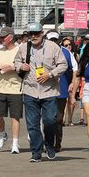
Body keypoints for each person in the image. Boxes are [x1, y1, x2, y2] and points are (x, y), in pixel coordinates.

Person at [14, 23, 67, 162]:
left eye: (36, 33)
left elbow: (63, 65)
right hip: (30, 90)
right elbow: (16, 62)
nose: (33, 36)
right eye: (30, 34)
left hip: (49, 91)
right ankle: (36, 152)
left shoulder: (53, 47)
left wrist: (50, 74)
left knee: (50, 121)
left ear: (42, 33)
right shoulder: (24, 47)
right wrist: (21, 66)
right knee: (32, 124)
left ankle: (49, 145)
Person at [0, 27, 23, 154]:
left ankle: (15, 143)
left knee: (15, 117)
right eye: (0, 37)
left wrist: (12, 67)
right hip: (0, 87)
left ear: (11, 37)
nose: (1, 39)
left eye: (3, 37)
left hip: (15, 87)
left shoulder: (19, 50)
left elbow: (25, 66)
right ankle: (3, 134)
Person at [50, 32, 76, 151]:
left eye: (55, 40)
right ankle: (48, 142)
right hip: (46, 90)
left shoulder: (66, 52)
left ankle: (57, 143)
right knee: (48, 118)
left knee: (59, 118)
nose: (53, 42)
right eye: (51, 40)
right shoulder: (42, 50)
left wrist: (71, 83)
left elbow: (74, 69)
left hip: (61, 90)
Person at [59, 38, 79, 127]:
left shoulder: (74, 55)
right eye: (66, 45)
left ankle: (70, 119)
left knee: (71, 99)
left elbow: (76, 68)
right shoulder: (62, 52)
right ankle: (62, 119)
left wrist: (72, 82)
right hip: (63, 81)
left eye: (69, 44)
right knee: (64, 101)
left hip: (71, 80)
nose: (68, 46)